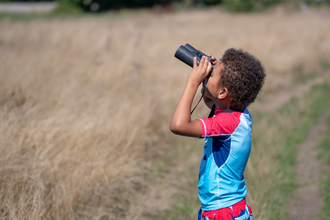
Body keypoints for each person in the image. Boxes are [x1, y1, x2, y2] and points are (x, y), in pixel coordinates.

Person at [170, 48, 266, 220]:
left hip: (222, 213)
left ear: (223, 92)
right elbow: (212, 100)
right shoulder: (237, 114)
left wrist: (192, 82)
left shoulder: (228, 123)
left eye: (211, 74)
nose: (208, 73)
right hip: (228, 208)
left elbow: (178, 125)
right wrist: (209, 78)